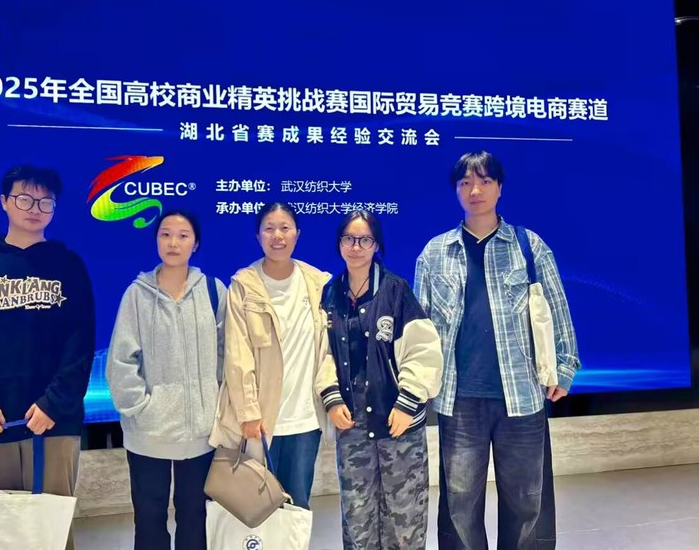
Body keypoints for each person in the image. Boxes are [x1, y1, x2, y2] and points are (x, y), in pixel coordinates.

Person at [414, 151, 580, 550]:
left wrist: (564, 367)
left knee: (526, 500)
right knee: (460, 503)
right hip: (459, 399)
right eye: (466, 183)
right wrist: (419, 384)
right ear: (456, 191)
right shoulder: (435, 252)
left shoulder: (529, 246)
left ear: (500, 188)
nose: (475, 190)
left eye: (485, 181)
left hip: (521, 395)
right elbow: (420, 332)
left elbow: (556, 308)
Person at [0, 165, 95, 550]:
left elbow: (80, 343)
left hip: (53, 422)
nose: (35, 209)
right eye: (24, 199)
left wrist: (54, 403)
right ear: (4, 202)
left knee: (51, 533)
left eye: (45, 202)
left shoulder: (69, 266)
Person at [317, 210, 443, 550]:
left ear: (377, 245)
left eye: (365, 240)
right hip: (352, 423)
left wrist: (408, 402)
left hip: (396, 418)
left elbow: (424, 351)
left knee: (404, 517)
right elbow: (322, 352)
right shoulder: (330, 293)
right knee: (357, 515)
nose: (356, 247)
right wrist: (331, 396)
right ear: (339, 243)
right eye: (349, 239)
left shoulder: (395, 290)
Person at [106, 210, 226, 550]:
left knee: (195, 516)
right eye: (165, 234)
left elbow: (227, 353)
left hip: (202, 432)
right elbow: (120, 360)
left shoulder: (214, 291)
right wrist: (141, 408)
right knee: (149, 518)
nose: (174, 242)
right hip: (148, 433)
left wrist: (214, 401)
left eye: (183, 235)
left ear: (195, 243)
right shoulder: (137, 295)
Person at [209, 202, 330, 509]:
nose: (278, 236)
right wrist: (248, 411)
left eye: (285, 228)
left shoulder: (317, 283)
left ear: (297, 234)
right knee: (256, 506)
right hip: (260, 420)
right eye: (269, 229)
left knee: (298, 505)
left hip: (305, 418)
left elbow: (326, 349)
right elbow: (237, 355)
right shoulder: (244, 285)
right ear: (258, 236)